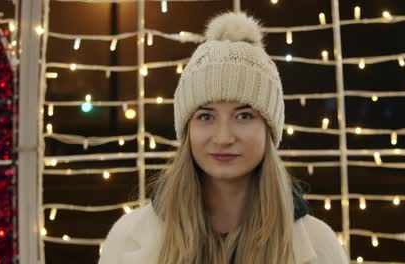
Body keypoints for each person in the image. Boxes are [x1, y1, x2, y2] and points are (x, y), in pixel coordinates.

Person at [98, 11, 348, 264]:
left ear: (269, 129)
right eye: (206, 117)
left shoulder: (320, 246)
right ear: (187, 130)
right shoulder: (126, 239)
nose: (224, 137)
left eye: (244, 116)